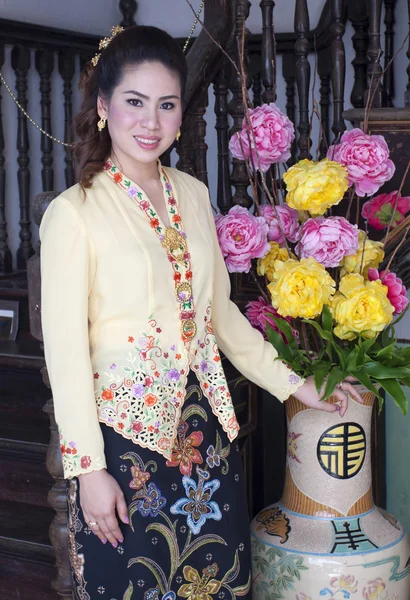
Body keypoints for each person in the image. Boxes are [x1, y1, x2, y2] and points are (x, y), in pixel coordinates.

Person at [40, 24, 362, 600]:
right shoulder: (74, 213)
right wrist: (88, 469)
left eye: (166, 105)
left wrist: (294, 384)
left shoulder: (190, 193)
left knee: (214, 584)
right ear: (102, 106)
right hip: (122, 441)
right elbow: (65, 355)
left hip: (204, 430)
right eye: (134, 102)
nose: (150, 122)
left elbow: (219, 316)